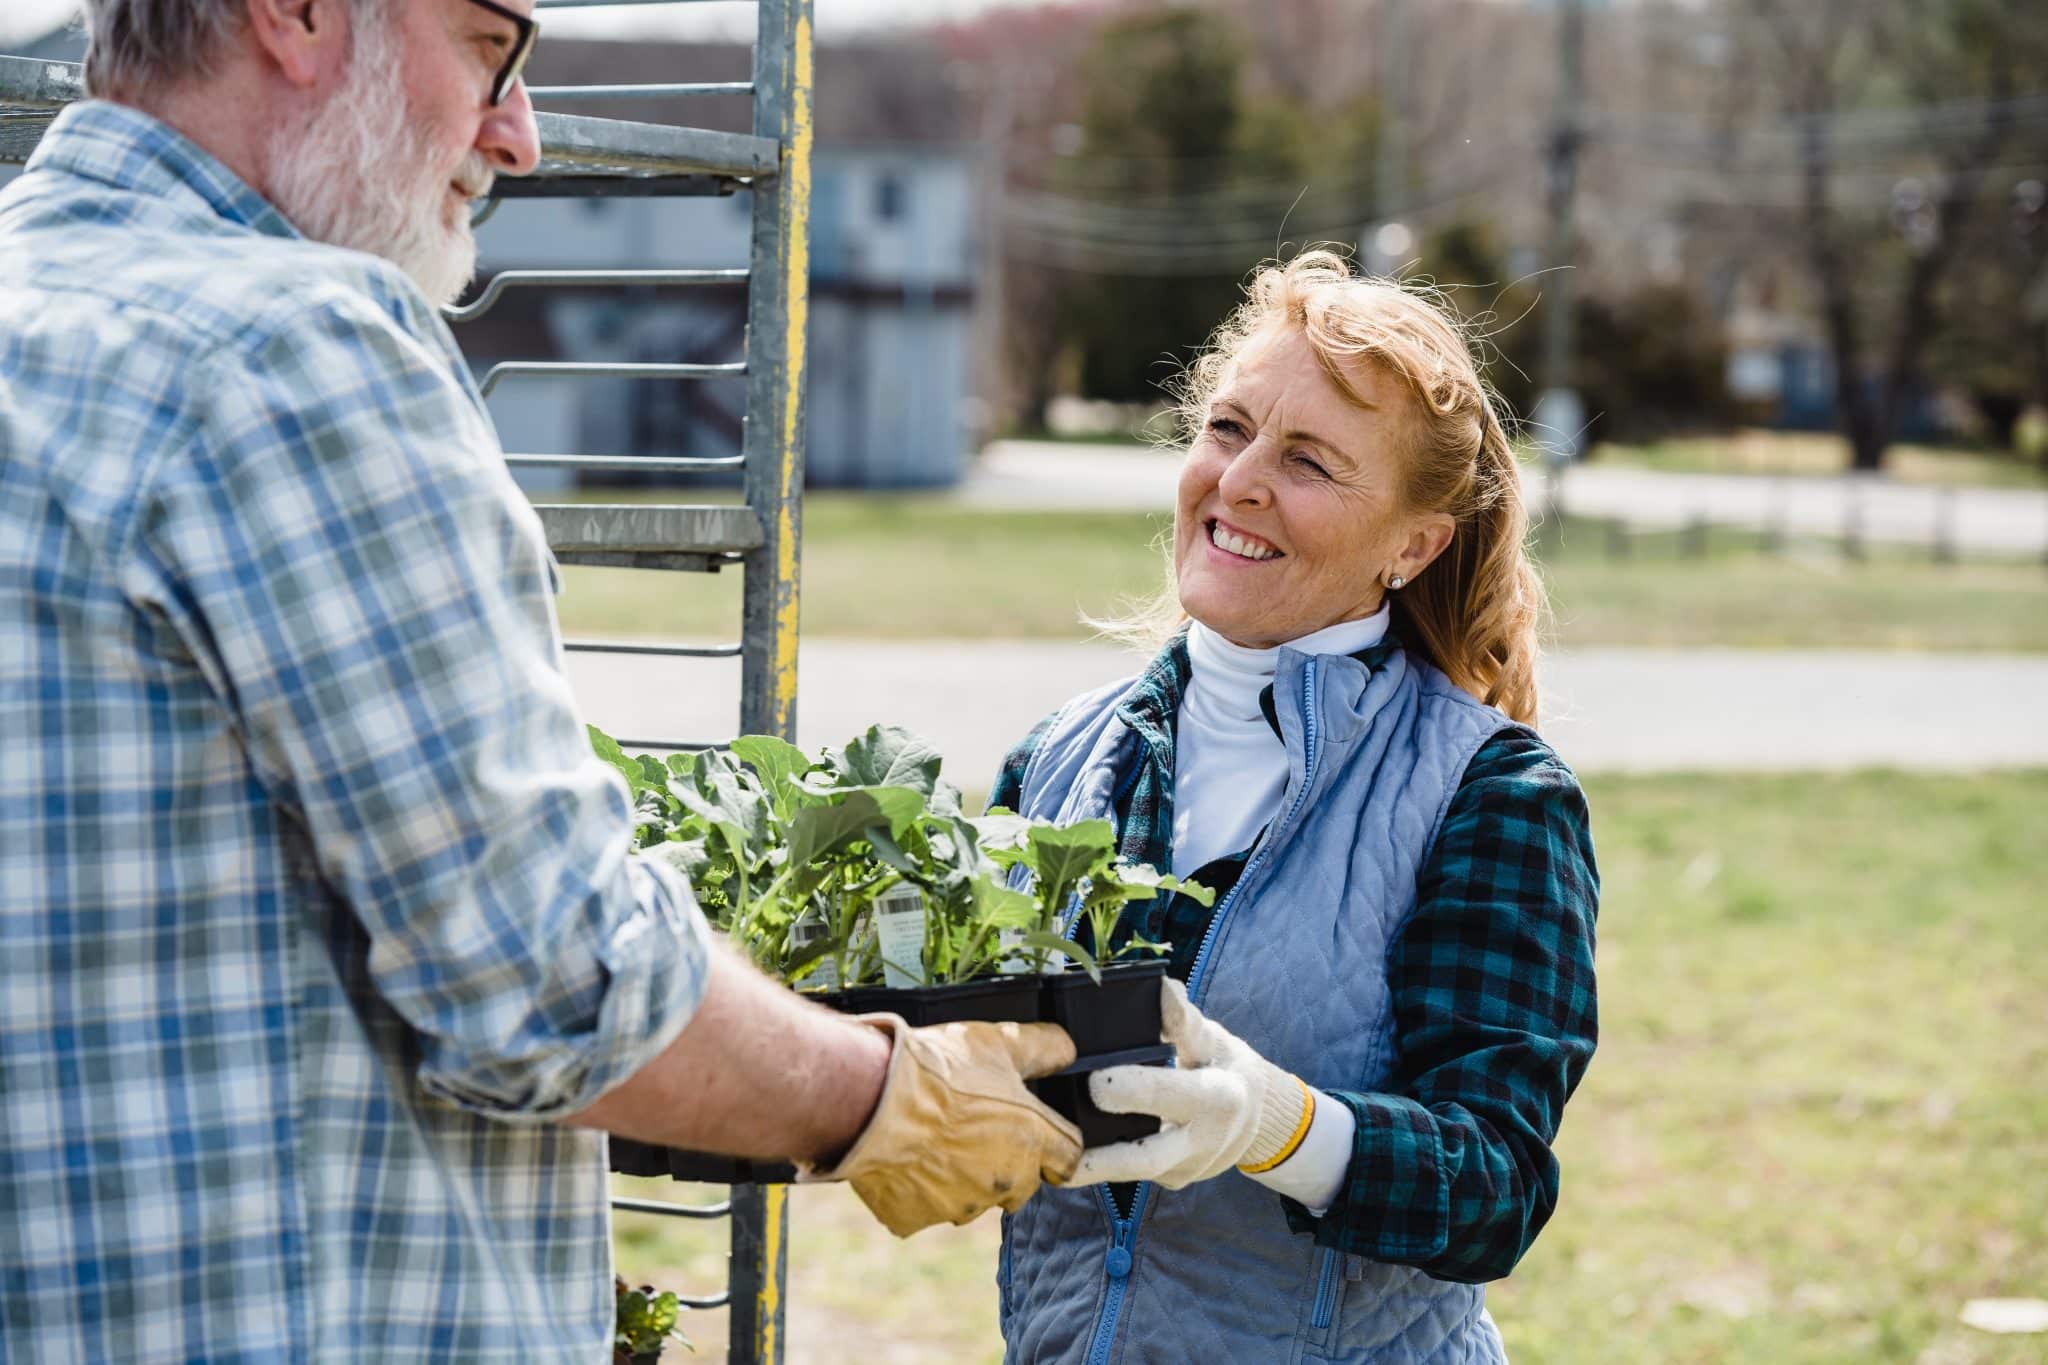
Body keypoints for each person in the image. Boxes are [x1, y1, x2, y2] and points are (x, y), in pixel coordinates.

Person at [0, 0, 1080, 1359]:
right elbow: (554, 983)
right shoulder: (291, 349)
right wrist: (889, 1095)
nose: (515, 133)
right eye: (485, 44)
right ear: (298, 14)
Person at [988, 251, 1601, 1362]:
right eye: (1227, 430)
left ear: (1413, 545)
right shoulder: (1057, 760)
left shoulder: (1490, 798)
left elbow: (1496, 1187)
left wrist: (1279, 1125)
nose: (1239, 482)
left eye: (1308, 461)